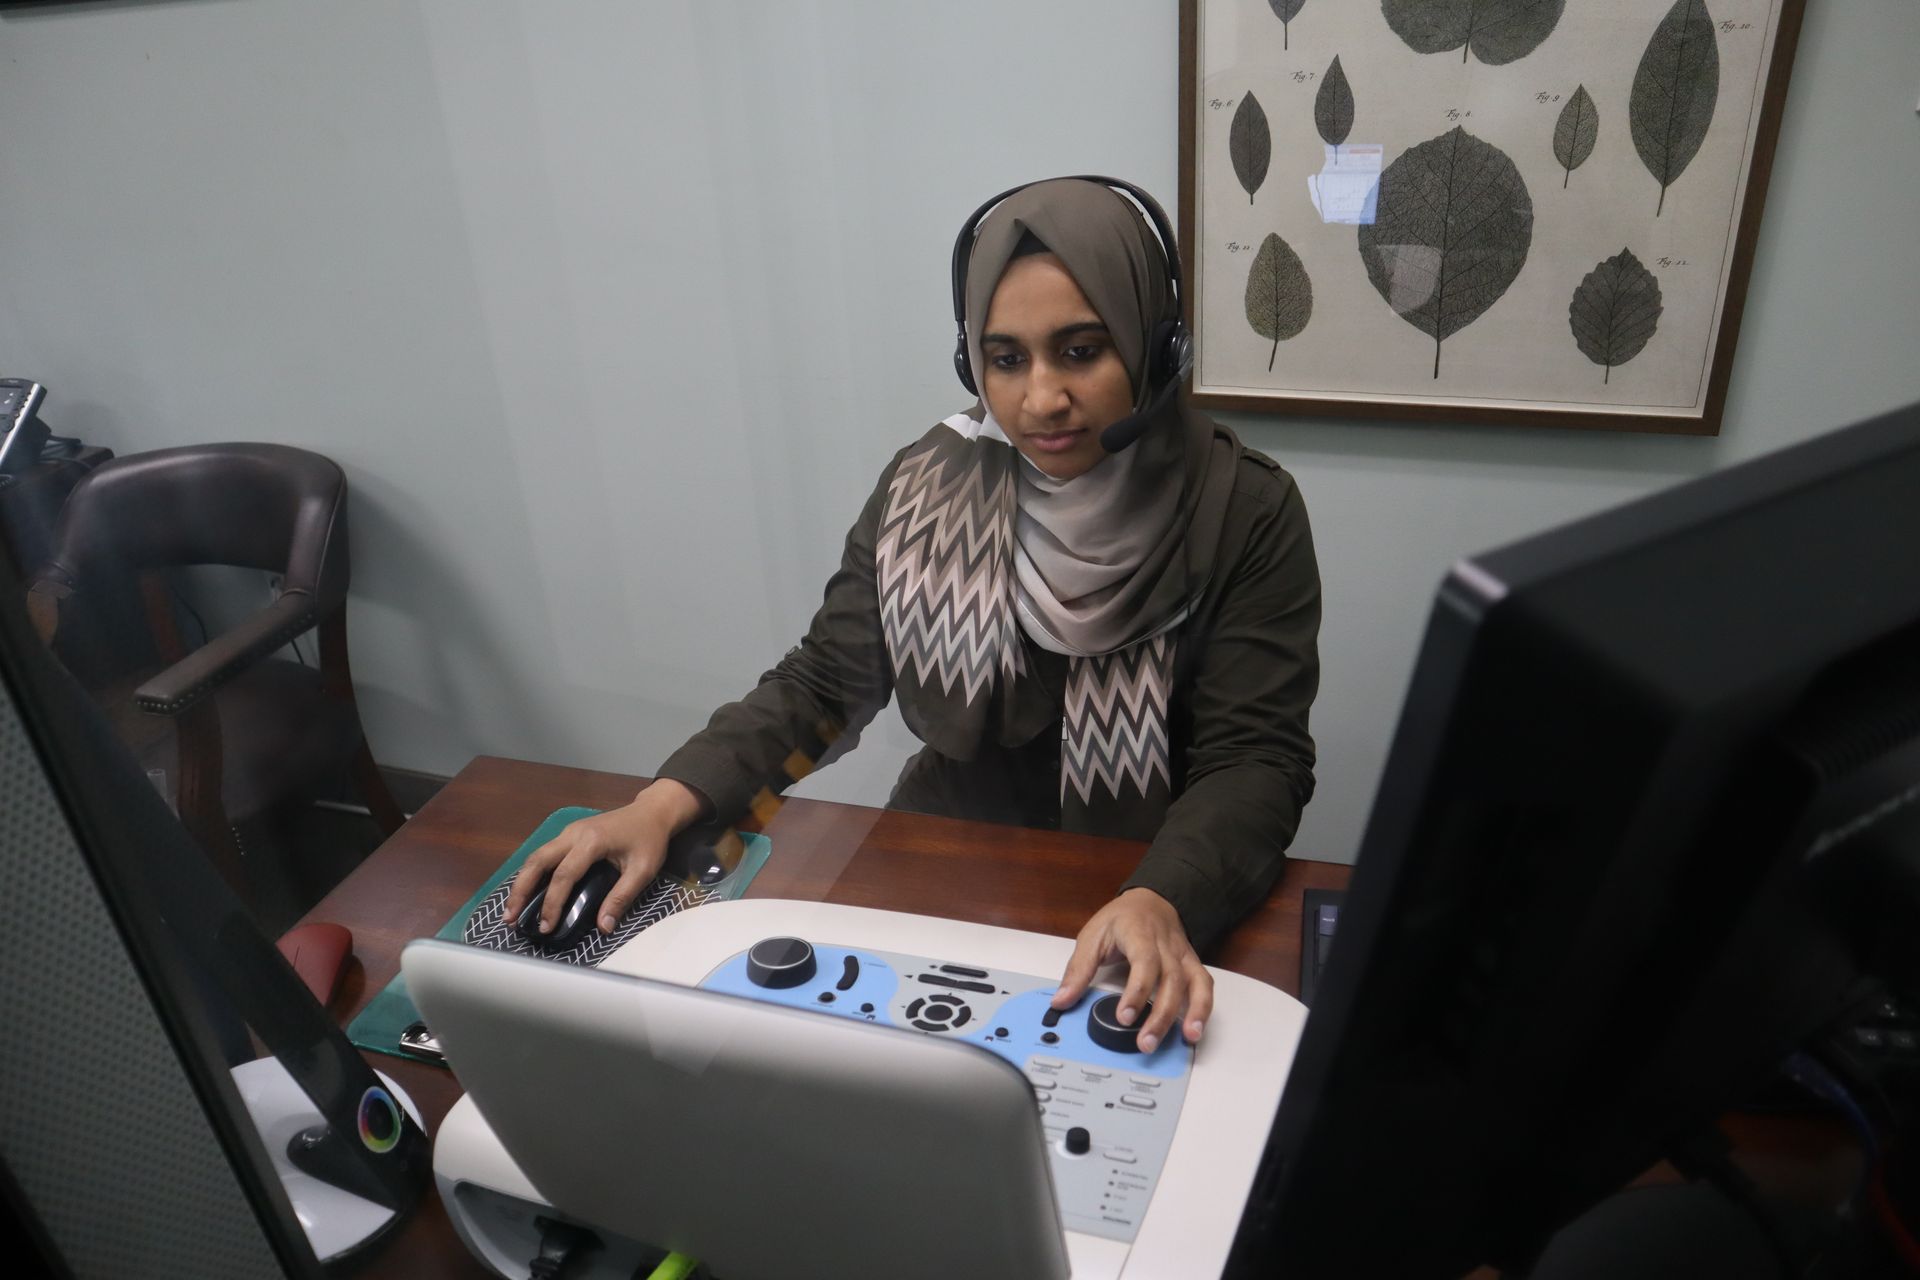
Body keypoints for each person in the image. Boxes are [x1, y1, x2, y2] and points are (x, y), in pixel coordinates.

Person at [505, 177, 1320, 1053]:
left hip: (1155, 877)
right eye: (1006, 360)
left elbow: (1255, 760)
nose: (1041, 400)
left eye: (1081, 351)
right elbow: (824, 684)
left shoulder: (1245, 511)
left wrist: (1167, 897)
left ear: (1154, 347)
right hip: (941, 854)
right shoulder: (927, 488)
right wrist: (665, 803)